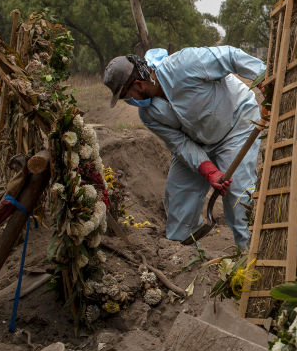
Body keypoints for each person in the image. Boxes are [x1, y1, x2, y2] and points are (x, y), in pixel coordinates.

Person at [103, 46, 266, 247]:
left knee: (238, 197)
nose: (128, 102)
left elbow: (230, 57)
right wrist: (209, 170)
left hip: (235, 124)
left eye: (125, 96)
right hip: (198, 140)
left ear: (138, 85)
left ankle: (248, 254)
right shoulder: (149, 115)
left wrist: (264, 80)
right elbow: (180, 144)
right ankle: (181, 255)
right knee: (178, 198)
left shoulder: (183, 64)